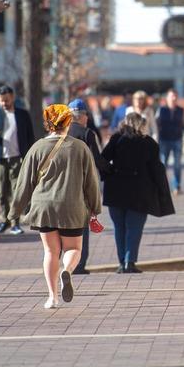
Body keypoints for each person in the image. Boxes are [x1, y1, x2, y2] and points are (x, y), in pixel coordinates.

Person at [11, 104, 102, 309]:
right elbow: (91, 181)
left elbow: (24, 182)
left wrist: (14, 211)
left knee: (50, 251)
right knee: (74, 248)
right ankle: (67, 271)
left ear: (47, 123)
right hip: (72, 205)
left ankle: (52, 297)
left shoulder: (36, 148)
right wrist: (95, 207)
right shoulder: (80, 147)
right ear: (68, 122)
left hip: (44, 207)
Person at [101, 112, 175, 273]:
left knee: (119, 228)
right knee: (134, 228)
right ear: (140, 125)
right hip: (140, 192)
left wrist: (111, 173)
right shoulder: (149, 143)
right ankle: (130, 262)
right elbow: (156, 169)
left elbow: (102, 160)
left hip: (116, 190)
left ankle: (121, 263)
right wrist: (161, 191)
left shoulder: (116, 140)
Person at [0, 84, 36, 235]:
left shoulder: (22, 115)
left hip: (17, 158)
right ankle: (4, 220)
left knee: (16, 192)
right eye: (1, 101)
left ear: (12, 98)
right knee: (2, 191)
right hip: (0, 158)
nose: (4, 103)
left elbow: (30, 136)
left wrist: (30, 156)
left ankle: (15, 223)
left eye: (6, 100)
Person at [67, 98, 109, 274]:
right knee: (82, 226)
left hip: (61, 186)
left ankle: (66, 262)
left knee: (65, 226)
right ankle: (79, 264)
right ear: (83, 116)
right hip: (82, 186)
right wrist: (110, 172)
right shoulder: (87, 134)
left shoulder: (60, 133)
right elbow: (97, 160)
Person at [156, 88, 184, 195]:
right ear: (167, 98)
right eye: (171, 96)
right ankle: (162, 187)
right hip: (164, 139)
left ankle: (177, 187)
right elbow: (156, 124)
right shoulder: (161, 110)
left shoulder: (181, 110)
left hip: (177, 139)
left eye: (175, 96)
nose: (174, 98)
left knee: (177, 165)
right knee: (163, 164)